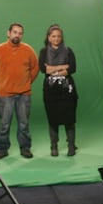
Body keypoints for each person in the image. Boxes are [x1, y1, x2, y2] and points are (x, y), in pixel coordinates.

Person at [0, 23, 39, 160]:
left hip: (24, 94)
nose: (17, 35)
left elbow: (35, 68)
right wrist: (3, 83)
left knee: (24, 123)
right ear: (8, 33)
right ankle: (2, 149)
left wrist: (26, 83)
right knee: (4, 124)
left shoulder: (28, 50)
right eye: (15, 32)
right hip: (5, 95)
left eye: (20, 33)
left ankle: (25, 148)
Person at [39, 24, 78, 156]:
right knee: (53, 119)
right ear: (49, 38)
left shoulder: (68, 51)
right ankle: (54, 146)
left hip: (67, 90)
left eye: (59, 36)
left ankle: (71, 146)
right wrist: (62, 68)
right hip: (51, 91)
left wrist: (52, 68)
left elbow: (72, 68)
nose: (56, 39)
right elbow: (43, 69)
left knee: (69, 119)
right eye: (53, 36)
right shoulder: (43, 52)